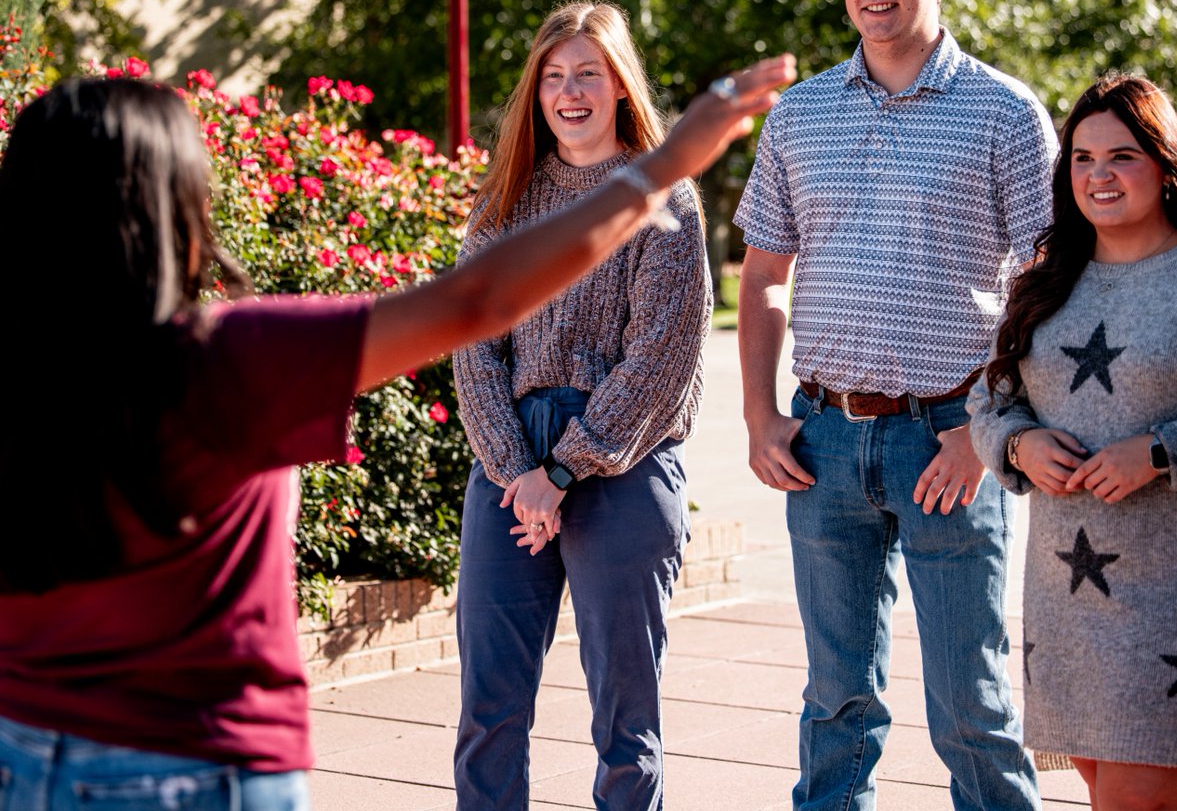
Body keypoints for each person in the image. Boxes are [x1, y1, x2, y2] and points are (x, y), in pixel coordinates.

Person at [0, 51, 793, 811]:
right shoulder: (234, 358)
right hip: (196, 765)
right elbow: (473, 305)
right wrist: (661, 167)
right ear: (168, 208)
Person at [734, 0, 1056, 810]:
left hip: (950, 437)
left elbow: (1046, 286)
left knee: (970, 703)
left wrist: (986, 432)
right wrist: (760, 416)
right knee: (836, 697)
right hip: (823, 438)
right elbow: (760, 279)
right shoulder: (799, 115)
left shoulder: (1004, 112)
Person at [450, 0, 712, 810]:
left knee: (624, 724)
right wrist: (517, 467)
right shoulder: (505, 204)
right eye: (554, 77)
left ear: (621, 87)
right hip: (511, 466)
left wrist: (563, 469)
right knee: (489, 706)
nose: (570, 92)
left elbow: (661, 362)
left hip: (622, 465)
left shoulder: (666, 203)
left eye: (588, 74)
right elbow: (473, 341)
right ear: (536, 93)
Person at [969, 73, 1177, 811]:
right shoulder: (1046, 279)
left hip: (1176, 599)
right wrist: (1017, 446)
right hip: (1067, 599)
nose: (1099, 176)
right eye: (1082, 158)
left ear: (1165, 163)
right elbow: (989, 399)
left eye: (1122, 157)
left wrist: (1163, 451)